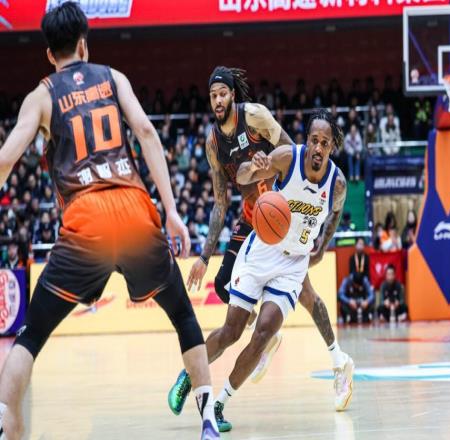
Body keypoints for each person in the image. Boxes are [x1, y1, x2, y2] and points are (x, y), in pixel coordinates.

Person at [0, 4, 219, 439]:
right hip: (135, 211)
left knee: (32, 334)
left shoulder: (41, 97)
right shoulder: (114, 78)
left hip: (87, 221)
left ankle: (5, 421)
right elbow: (147, 133)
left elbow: (7, 159)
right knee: (182, 315)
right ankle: (209, 419)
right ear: (84, 44)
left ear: (50, 54)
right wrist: (172, 211)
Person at [169, 69, 349, 416]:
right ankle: (192, 372)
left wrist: (321, 243)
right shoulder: (213, 143)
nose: (218, 100)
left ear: (233, 95)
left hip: (284, 224)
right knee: (227, 303)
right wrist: (204, 256)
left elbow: (288, 150)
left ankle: (325, 358)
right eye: (213, 95)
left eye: (223, 93)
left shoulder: (256, 117)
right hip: (260, 221)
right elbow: (223, 199)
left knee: (290, 311)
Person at [205, 109, 354, 431]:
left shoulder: (338, 183)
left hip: (294, 261)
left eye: (324, 143)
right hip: (264, 249)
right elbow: (242, 176)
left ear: (332, 147)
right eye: (314, 140)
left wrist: (321, 247)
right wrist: (253, 167)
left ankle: (220, 403)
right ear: (307, 140)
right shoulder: (288, 157)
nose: (318, 147)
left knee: (265, 330)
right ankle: (192, 374)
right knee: (232, 330)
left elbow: (336, 213)